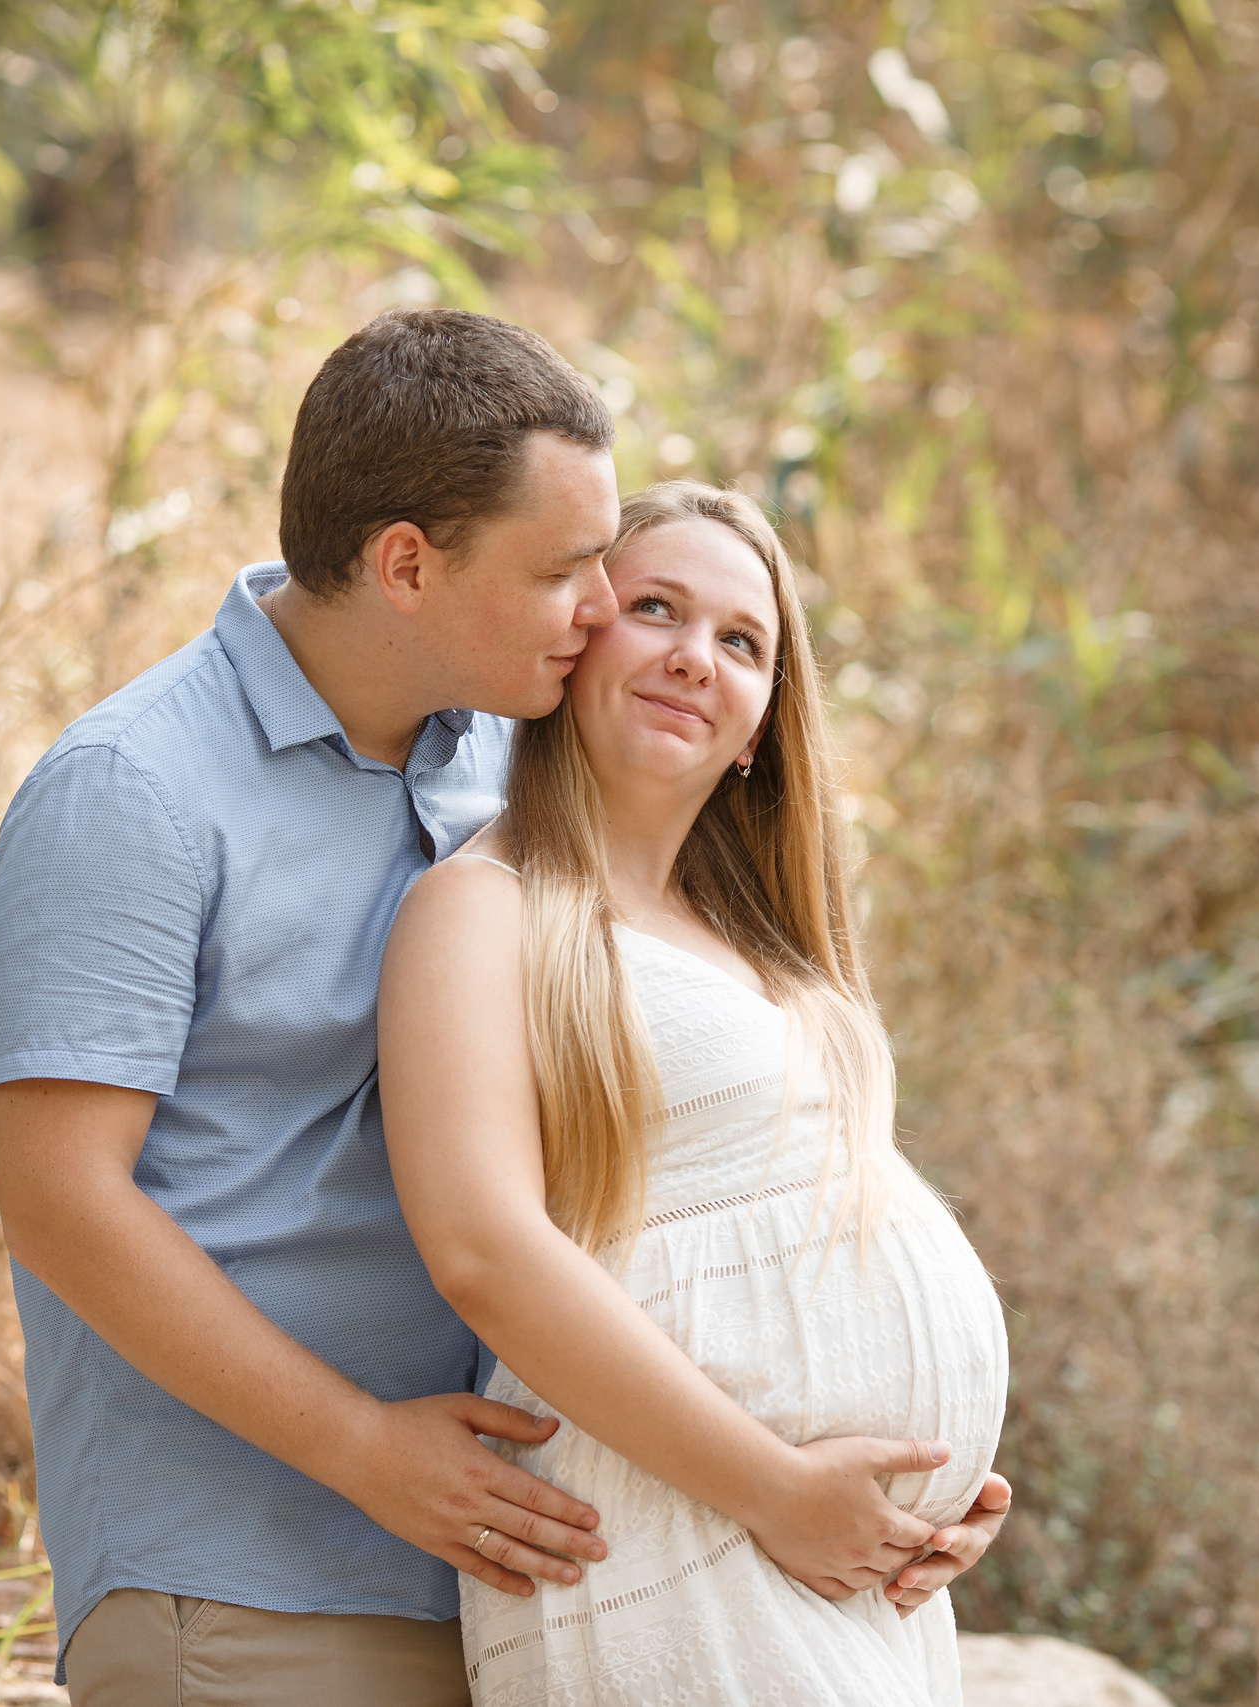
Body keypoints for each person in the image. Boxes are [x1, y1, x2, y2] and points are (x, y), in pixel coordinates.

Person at [0, 309, 1008, 1707]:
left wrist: (897, 1462)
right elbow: (59, 1202)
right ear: (408, 563)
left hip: (508, 1546)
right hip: (244, 1571)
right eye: (570, 571)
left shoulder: (491, 763)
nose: (600, 609)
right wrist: (362, 1445)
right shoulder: (136, 788)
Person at [377, 481, 1010, 1705]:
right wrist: (779, 1489)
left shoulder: (766, 948)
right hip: (663, 1536)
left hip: (837, 1572)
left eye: (741, 641)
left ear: (766, 719)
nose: (691, 658)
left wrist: (936, 1494)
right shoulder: (481, 907)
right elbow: (482, 1248)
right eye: (654, 607)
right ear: (579, 636)